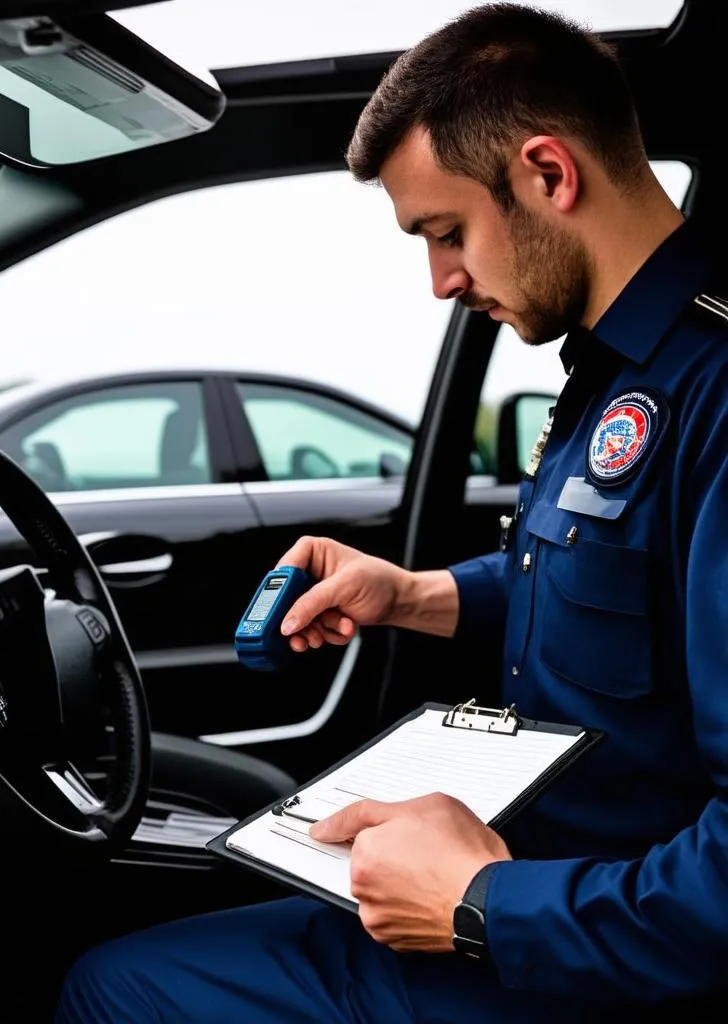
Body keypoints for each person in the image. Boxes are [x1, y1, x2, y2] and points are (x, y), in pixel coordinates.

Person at [55, 4, 728, 1021]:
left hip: (588, 950)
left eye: (446, 232)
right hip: (542, 892)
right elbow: (613, 579)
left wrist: (477, 906)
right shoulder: (612, 368)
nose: (439, 280)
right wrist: (416, 594)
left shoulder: (714, 395)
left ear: (549, 174)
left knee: (113, 985)